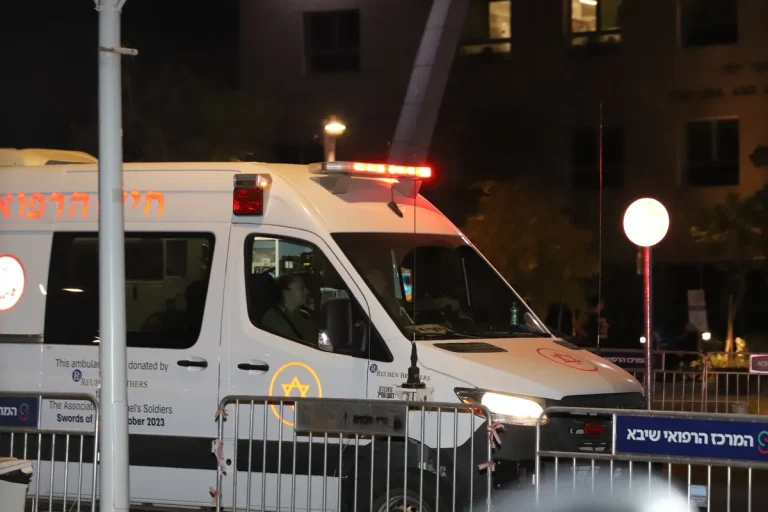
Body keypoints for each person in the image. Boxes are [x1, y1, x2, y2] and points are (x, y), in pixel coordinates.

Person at [262, 273, 317, 345]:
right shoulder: (272, 317)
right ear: (286, 292)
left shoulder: (303, 315)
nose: (307, 292)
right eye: (301, 288)